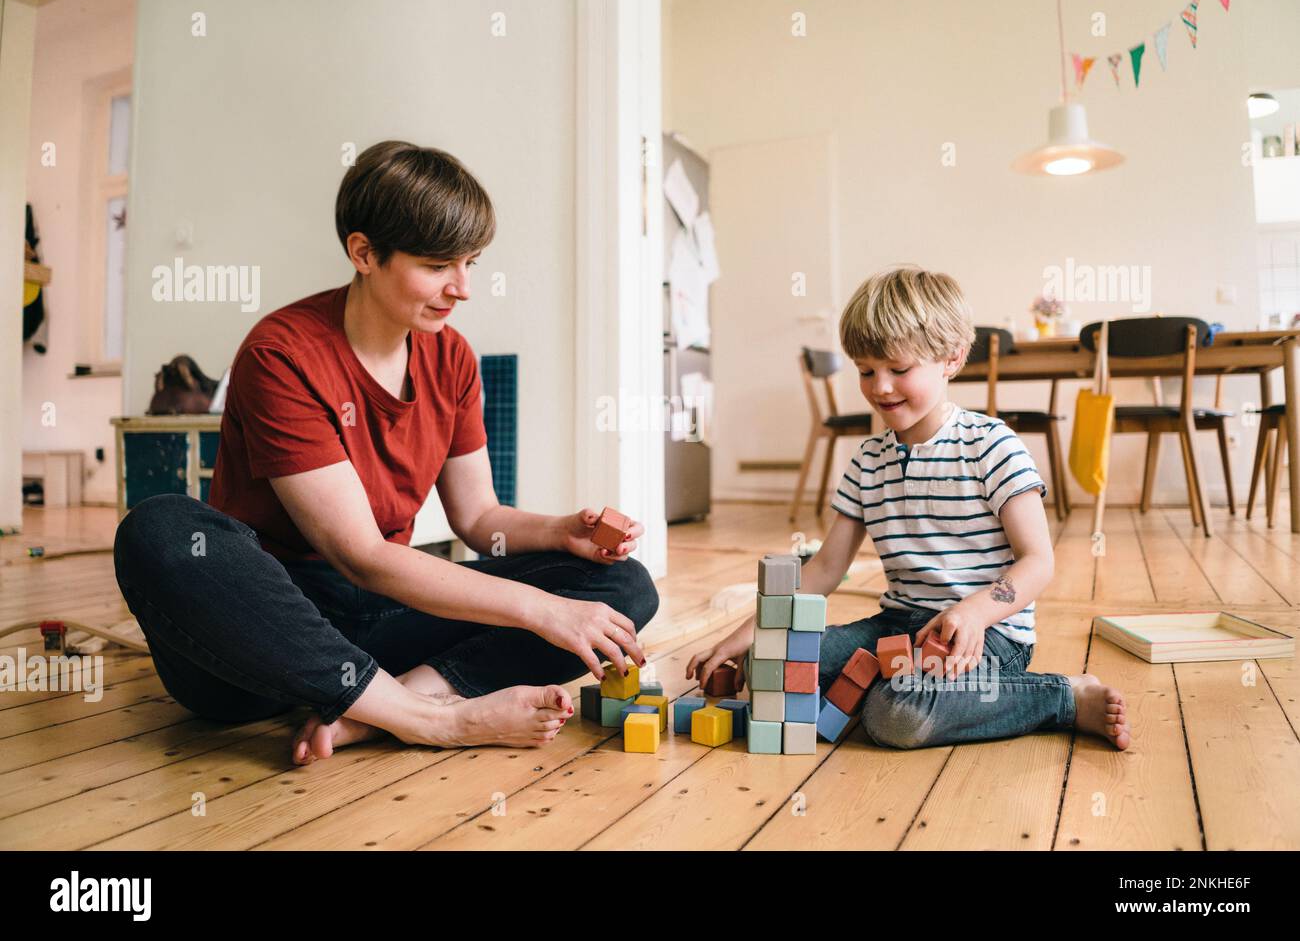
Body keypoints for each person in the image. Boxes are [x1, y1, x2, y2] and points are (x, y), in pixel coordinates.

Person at [114, 141, 660, 766]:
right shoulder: (282, 354)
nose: (463, 288)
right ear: (364, 252)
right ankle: (433, 722)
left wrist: (559, 532)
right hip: (267, 637)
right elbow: (363, 555)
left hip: (383, 621)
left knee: (620, 590)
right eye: (437, 266)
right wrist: (542, 610)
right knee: (158, 530)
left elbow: (480, 520)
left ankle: (389, 706)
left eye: (471, 262)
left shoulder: (451, 356)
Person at [687, 266, 1130, 751]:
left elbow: (1039, 561)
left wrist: (976, 613)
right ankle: (879, 688)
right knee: (769, 663)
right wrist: (747, 635)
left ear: (951, 359)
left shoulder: (992, 446)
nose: (880, 387)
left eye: (899, 370)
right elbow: (824, 570)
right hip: (896, 625)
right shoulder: (867, 460)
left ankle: (1063, 697)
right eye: (865, 371)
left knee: (897, 714)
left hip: (988, 637)